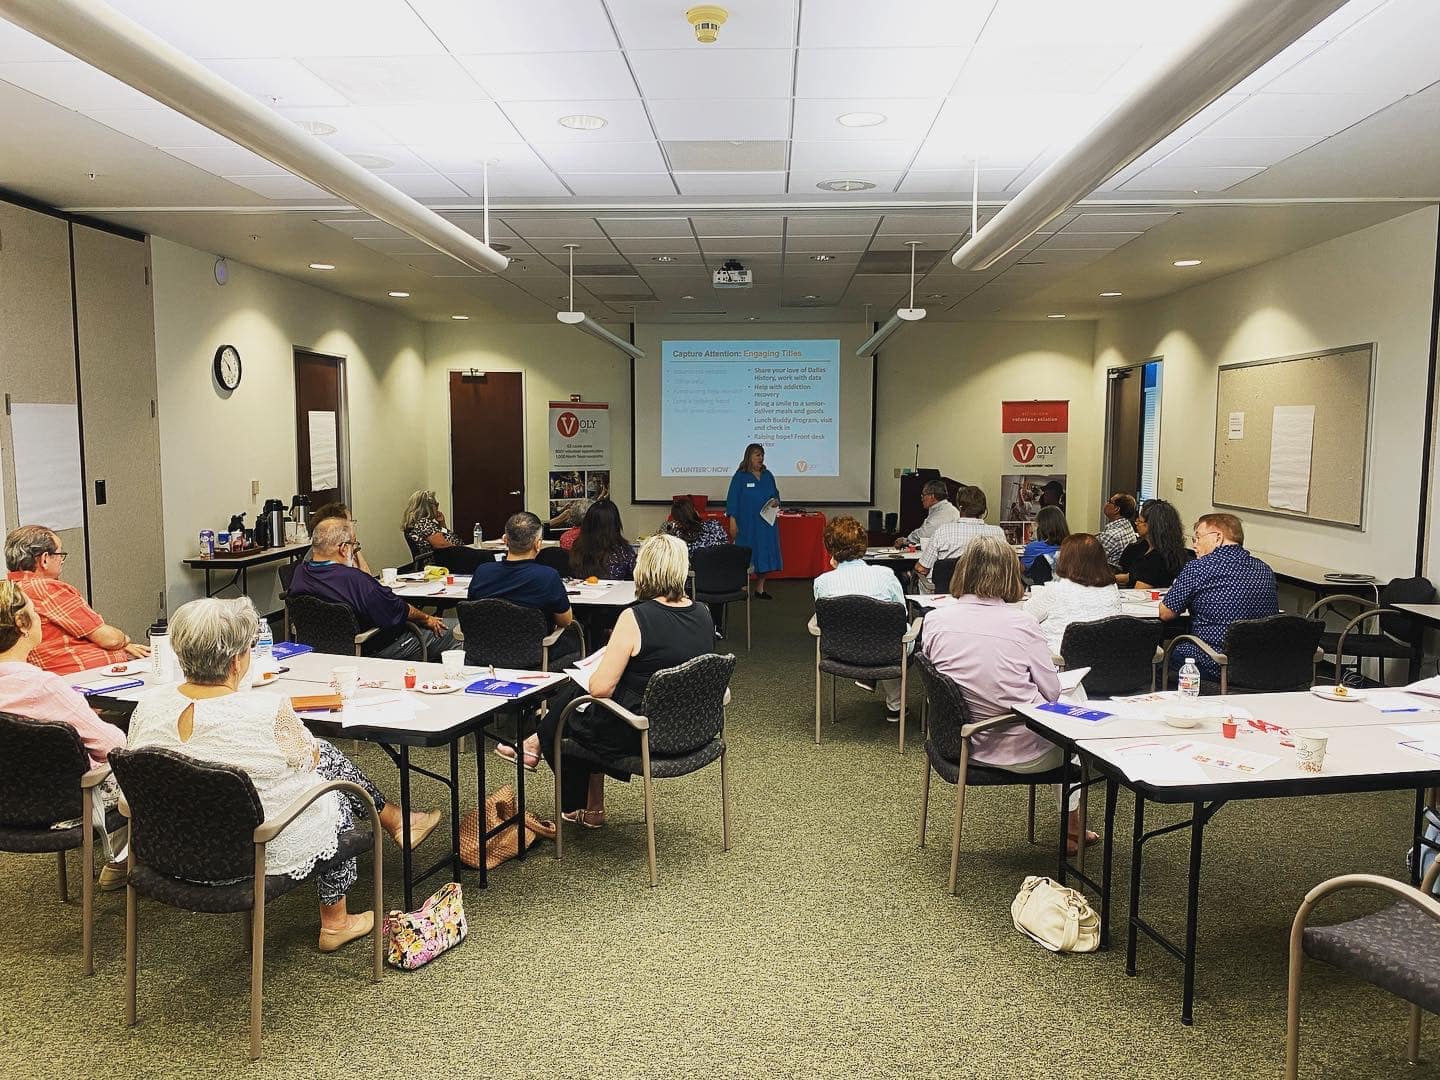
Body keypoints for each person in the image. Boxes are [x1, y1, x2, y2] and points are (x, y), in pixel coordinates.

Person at [124, 597, 440, 952]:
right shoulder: (265, 709)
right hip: (249, 851)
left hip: (169, 849)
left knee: (318, 770)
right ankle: (336, 919)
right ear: (235, 661)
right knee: (331, 790)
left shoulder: (149, 704)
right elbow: (309, 758)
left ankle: (396, 822)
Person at [513, 535, 714, 827]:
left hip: (642, 731)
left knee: (571, 717)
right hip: (693, 727)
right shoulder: (704, 614)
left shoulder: (636, 617)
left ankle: (568, 793)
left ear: (642, 569)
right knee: (583, 708)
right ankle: (591, 808)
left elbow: (600, 688)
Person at [919, 535, 1093, 851]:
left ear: (964, 571)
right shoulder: (1021, 623)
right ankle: (1072, 828)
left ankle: (1072, 828)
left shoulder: (934, 620)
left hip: (958, 740)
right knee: (1074, 710)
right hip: (1021, 749)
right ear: (1011, 575)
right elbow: (1052, 693)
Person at [0, 580, 129, 887]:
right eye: (35, 612)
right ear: (22, 623)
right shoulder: (43, 687)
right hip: (69, 805)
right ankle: (125, 861)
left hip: (9, 804)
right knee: (137, 758)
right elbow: (113, 747)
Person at [288, 518, 455, 661]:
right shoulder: (355, 580)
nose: (355, 550)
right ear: (343, 548)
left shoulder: (300, 574)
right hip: (375, 648)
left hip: (322, 650)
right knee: (457, 631)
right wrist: (427, 618)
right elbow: (396, 609)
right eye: (354, 545)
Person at [3, 525, 150, 675]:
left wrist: (121, 647)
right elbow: (110, 639)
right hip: (86, 679)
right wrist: (124, 640)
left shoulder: (9, 592)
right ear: (45, 559)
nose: (62, 560)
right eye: (60, 554)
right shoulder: (44, 588)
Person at [1159, 513, 1277, 681]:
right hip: (1261, 663)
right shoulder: (1264, 569)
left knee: (1164, 660)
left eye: (1197, 538)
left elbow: (1166, 613)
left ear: (1218, 537)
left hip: (1213, 660)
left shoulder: (1198, 568)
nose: (1195, 545)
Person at [468, 511, 580, 688]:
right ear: (538, 544)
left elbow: (474, 610)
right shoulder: (547, 577)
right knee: (575, 639)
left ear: (505, 540)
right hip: (535, 656)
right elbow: (565, 621)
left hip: (483, 656)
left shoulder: (482, 572)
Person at [814, 516, 909, 721]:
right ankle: (896, 706)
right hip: (886, 650)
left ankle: (870, 676)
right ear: (863, 545)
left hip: (841, 652)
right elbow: (902, 615)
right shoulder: (886, 575)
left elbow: (825, 621)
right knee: (898, 636)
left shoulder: (822, 582)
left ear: (829, 548)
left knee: (878, 633)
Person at [1025, 534, 1123, 654]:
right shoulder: (1112, 589)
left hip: (1059, 663)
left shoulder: (1057, 590)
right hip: (1105, 661)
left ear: (1066, 559)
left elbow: (1026, 616)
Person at [914, 485, 1006, 593]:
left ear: (960, 507)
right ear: (984, 510)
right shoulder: (998, 534)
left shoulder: (943, 531)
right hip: (988, 595)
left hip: (949, 598)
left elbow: (922, 569)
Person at [726, 443, 781, 598]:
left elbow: (775, 494)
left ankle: (760, 589)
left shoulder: (768, 475)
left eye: (762, 454)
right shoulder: (740, 477)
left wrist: (777, 501)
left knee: (764, 552)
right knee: (746, 554)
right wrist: (732, 520)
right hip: (746, 524)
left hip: (766, 524)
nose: (760, 458)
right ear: (749, 457)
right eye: (757, 454)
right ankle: (743, 588)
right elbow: (732, 500)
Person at [1115, 500, 1194, 589]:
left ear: (1151, 526)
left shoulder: (1157, 559)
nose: (1136, 523)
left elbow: (1139, 592)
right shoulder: (1143, 548)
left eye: (1140, 521)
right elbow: (1133, 575)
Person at [567, 500, 637, 581]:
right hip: (616, 592)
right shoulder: (623, 551)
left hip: (583, 591)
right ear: (615, 524)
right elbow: (635, 579)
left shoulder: (577, 548)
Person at [310, 501, 370, 573]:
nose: (353, 526)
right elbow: (366, 576)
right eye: (350, 522)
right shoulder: (339, 558)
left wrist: (354, 545)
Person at [401, 490, 463, 556]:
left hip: (447, 559)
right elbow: (442, 545)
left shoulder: (421, 523)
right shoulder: (423, 523)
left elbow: (445, 536)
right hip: (442, 562)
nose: (437, 507)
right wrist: (463, 551)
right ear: (428, 507)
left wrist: (442, 523)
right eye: (436, 505)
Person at [905, 479, 961, 547]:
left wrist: (906, 540)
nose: (922, 499)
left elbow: (924, 535)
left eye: (923, 495)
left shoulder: (944, 512)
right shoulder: (941, 509)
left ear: (932, 497)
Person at [663, 496, 729, 552]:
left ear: (676, 520)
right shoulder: (714, 526)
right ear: (695, 512)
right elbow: (726, 548)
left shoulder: (675, 537)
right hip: (717, 565)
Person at [1021, 505, 1068, 573]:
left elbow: (1023, 569)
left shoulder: (1033, 547)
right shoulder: (1071, 547)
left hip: (1038, 582)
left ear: (1042, 526)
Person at [1097, 493, 1139, 566]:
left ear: (1116, 509)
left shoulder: (1110, 535)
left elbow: (1089, 559)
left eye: (1109, 502)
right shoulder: (1128, 526)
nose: (1106, 504)